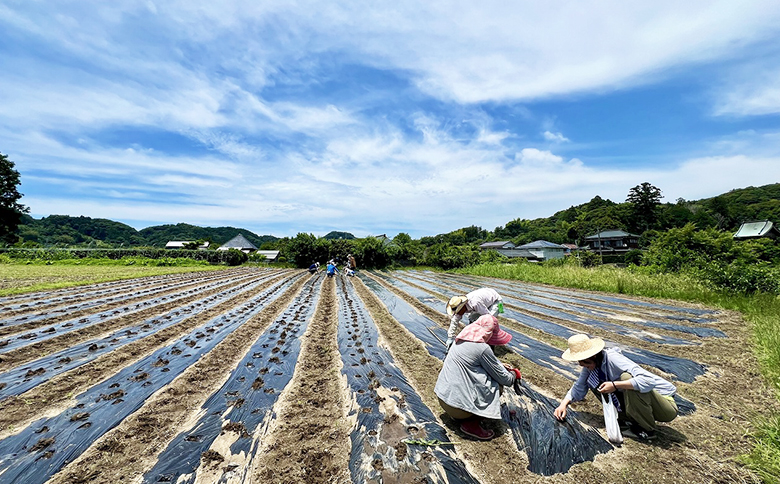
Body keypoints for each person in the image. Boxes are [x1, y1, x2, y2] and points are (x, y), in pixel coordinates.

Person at [553, 334, 678, 441]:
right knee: (594, 381)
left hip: (664, 406)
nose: (582, 365)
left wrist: (615, 385)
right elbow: (579, 386)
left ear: (594, 356)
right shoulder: (592, 365)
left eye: (584, 362)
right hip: (643, 403)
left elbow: (648, 381)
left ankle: (646, 430)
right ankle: (627, 418)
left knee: (626, 378)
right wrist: (563, 404)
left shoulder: (613, 359)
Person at [434, 315, 522, 440]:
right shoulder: (482, 348)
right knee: (497, 385)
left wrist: (499, 365)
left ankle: (460, 415)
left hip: (444, 400)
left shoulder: (461, 339)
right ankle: (471, 424)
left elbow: (475, 360)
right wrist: (514, 374)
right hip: (458, 409)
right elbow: (506, 380)